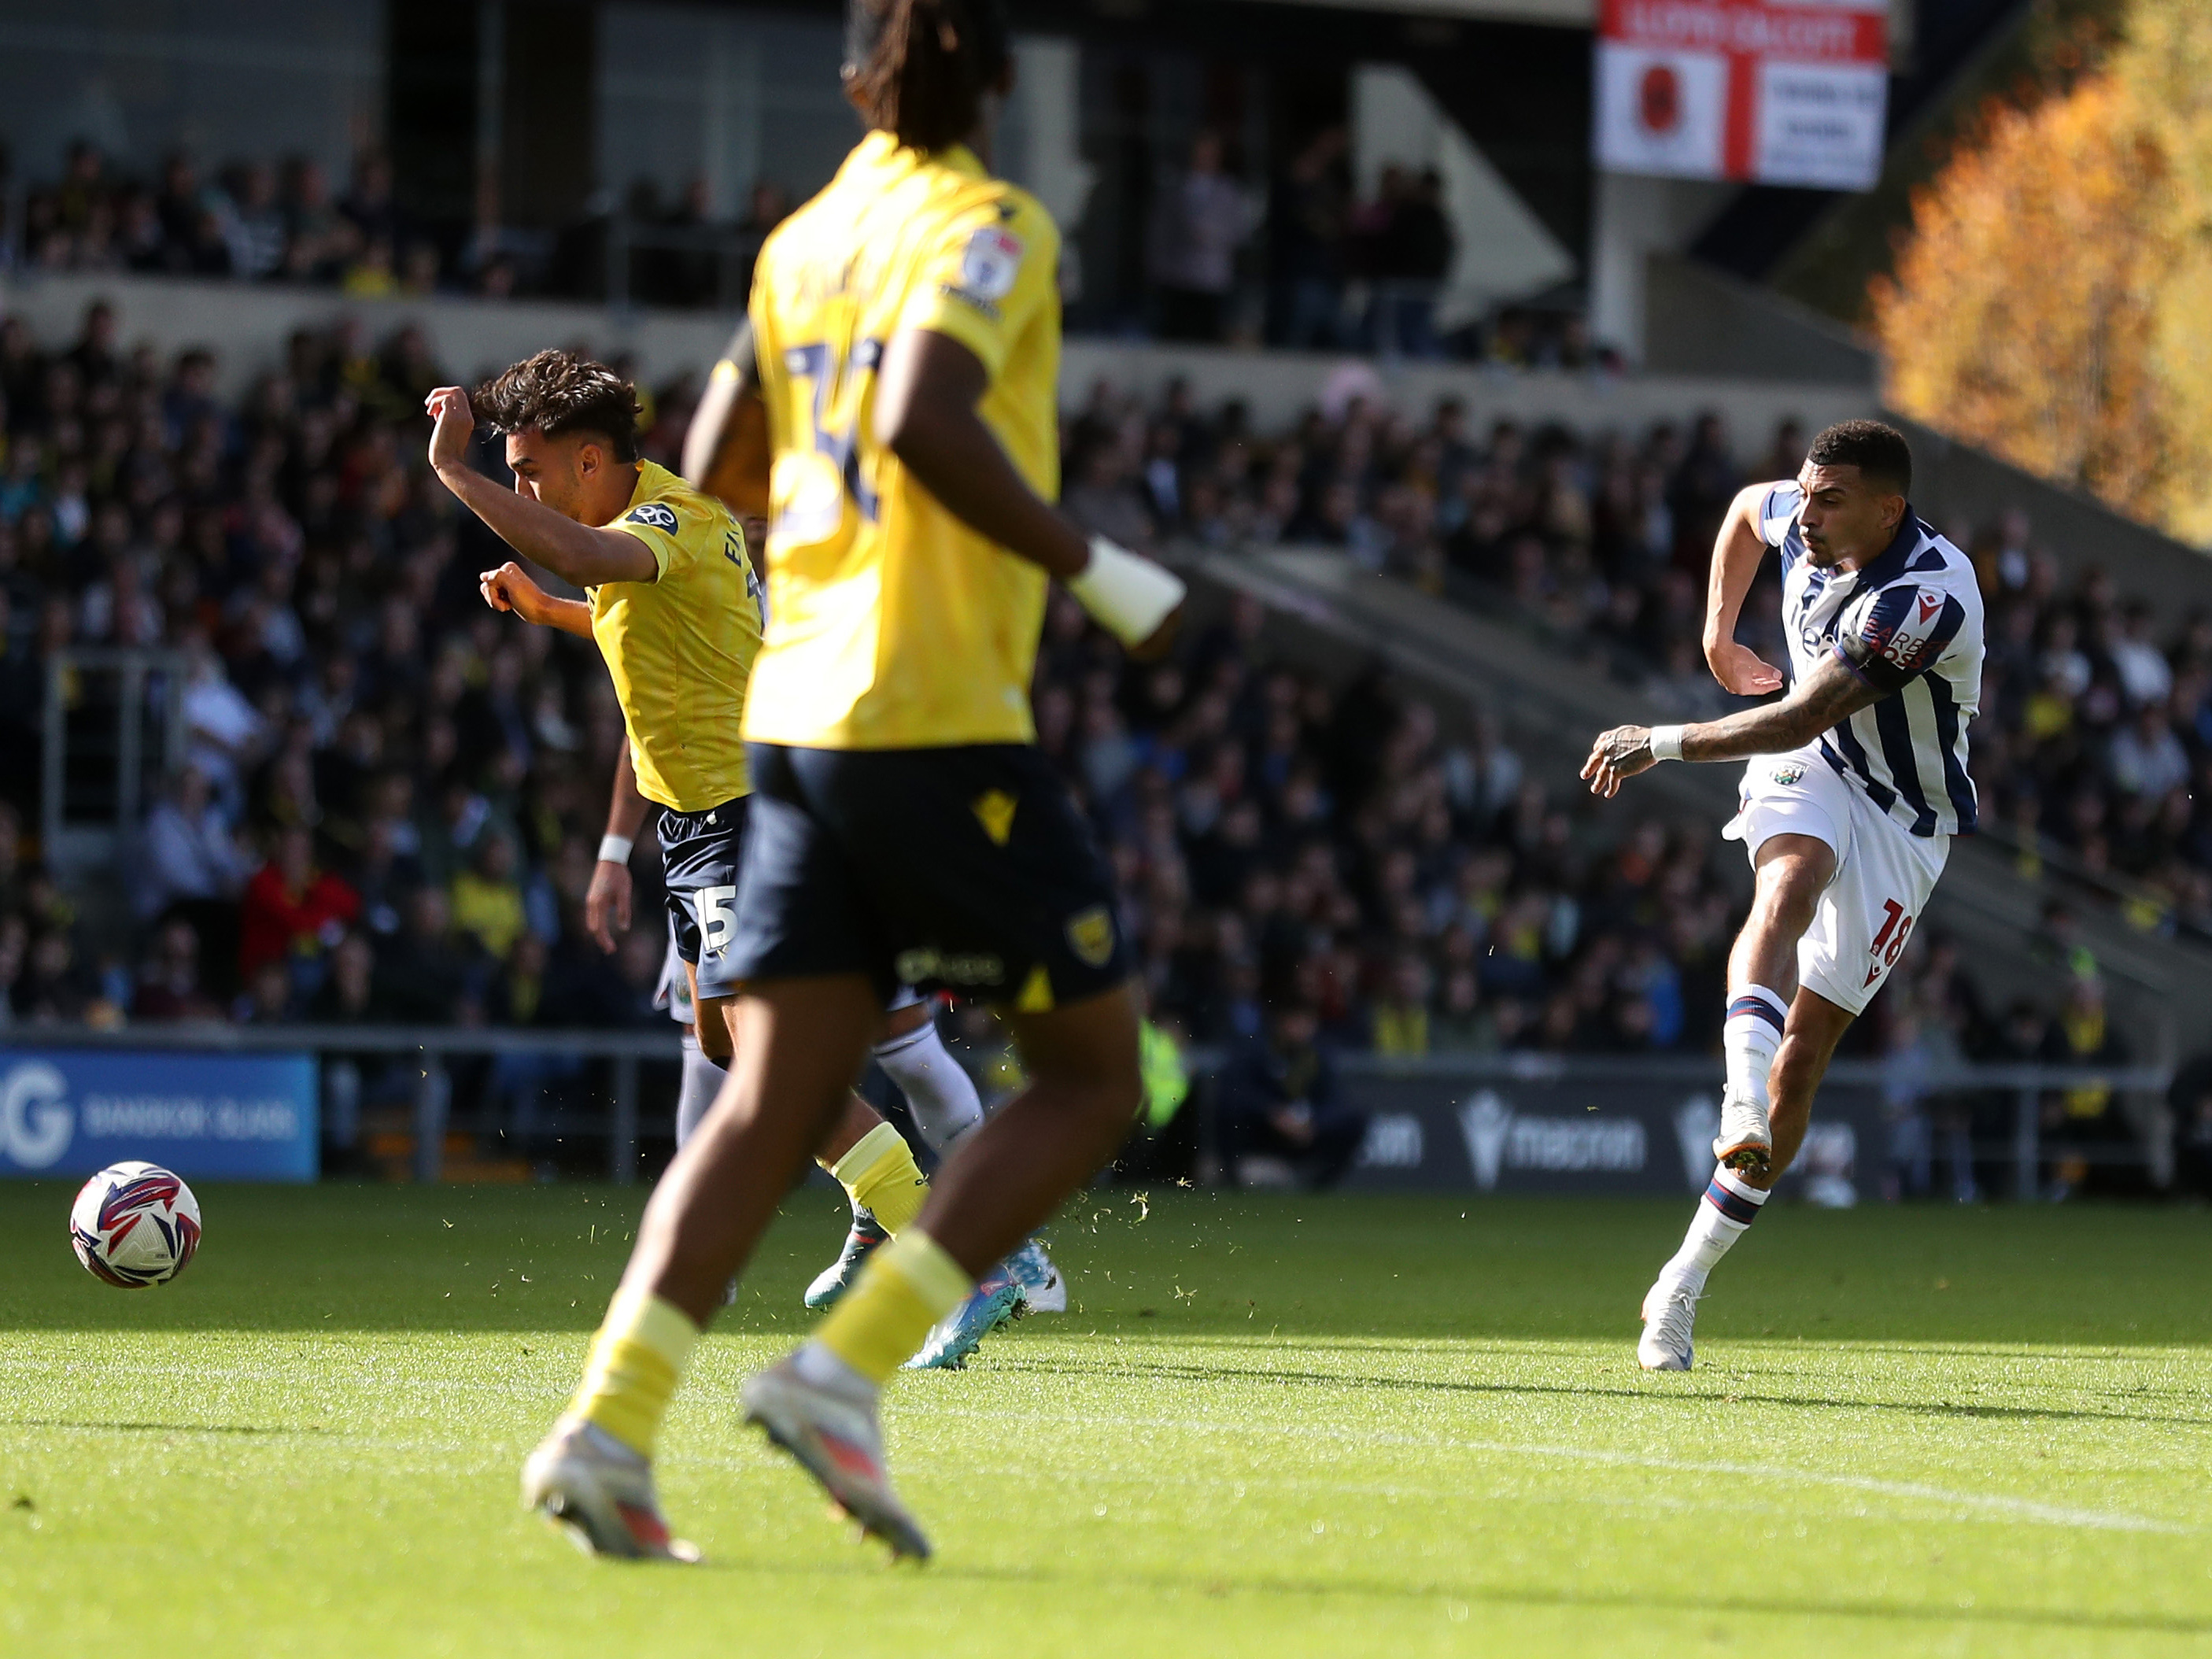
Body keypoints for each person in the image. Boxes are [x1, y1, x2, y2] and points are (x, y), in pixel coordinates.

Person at [520, 0, 1186, 1565]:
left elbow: (722, 443)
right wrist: (1100, 571)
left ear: (848, 83)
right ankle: (844, 1369)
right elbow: (920, 416)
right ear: (1001, 85)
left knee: (771, 1094)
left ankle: (606, 1430)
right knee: (1098, 1074)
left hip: (794, 720)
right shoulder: (992, 224)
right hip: (930, 700)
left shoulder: (801, 239)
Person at [432, 353, 995, 1334]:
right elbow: (631, 615)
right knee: (733, 1046)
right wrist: (546, 610)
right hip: (699, 827)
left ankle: (953, 1258)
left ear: (592, 462)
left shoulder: (668, 522)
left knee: (782, 1064)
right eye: (509, 473)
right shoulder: (653, 528)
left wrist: (457, 475)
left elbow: (589, 559)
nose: (521, 487)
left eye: (528, 470)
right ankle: (895, 1207)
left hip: (750, 816)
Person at [1581, 419, 1985, 1370]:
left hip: (1905, 823)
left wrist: (1663, 739)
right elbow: (1737, 513)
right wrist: (1717, 636)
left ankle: (1679, 1283)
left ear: (1887, 509)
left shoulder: (1925, 596)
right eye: (1804, 491)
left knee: (1802, 1062)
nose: (1804, 511)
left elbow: (1807, 707)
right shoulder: (1801, 517)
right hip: (1812, 766)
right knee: (1790, 878)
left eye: (1830, 497)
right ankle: (1735, 1100)